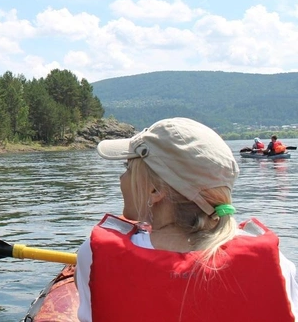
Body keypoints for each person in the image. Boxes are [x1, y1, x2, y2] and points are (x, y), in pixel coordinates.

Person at [75, 117, 298, 322]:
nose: (122, 177)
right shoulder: (276, 263)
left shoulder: (93, 256)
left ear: (154, 190)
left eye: (128, 167)